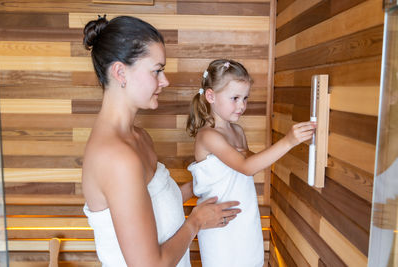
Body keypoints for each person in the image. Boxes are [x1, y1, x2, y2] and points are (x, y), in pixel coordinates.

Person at [81, 16, 242, 267]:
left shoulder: (139, 137)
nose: (164, 81)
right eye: (157, 70)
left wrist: (208, 181)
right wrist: (196, 222)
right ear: (120, 72)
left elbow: (152, 205)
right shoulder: (116, 157)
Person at [186, 59, 316, 267]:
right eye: (235, 98)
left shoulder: (237, 131)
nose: (242, 105)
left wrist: (293, 147)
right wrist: (288, 141)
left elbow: (252, 161)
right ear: (210, 96)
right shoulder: (207, 136)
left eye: (245, 98)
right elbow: (247, 168)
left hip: (244, 217)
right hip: (220, 224)